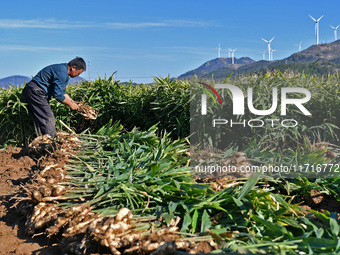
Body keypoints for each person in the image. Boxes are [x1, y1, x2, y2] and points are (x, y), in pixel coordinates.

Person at [23, 57, 86, 138]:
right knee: (48, 118)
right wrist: (71, 104)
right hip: (36, 92)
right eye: (78, 73)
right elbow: (58, 95)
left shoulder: (64, 72)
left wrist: (73, 102)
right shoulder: (62, 72)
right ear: (73, 68)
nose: (78, 75)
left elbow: (62, 92)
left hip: (34, 91)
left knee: (40, 119)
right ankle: (49, 144)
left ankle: (40, 142)